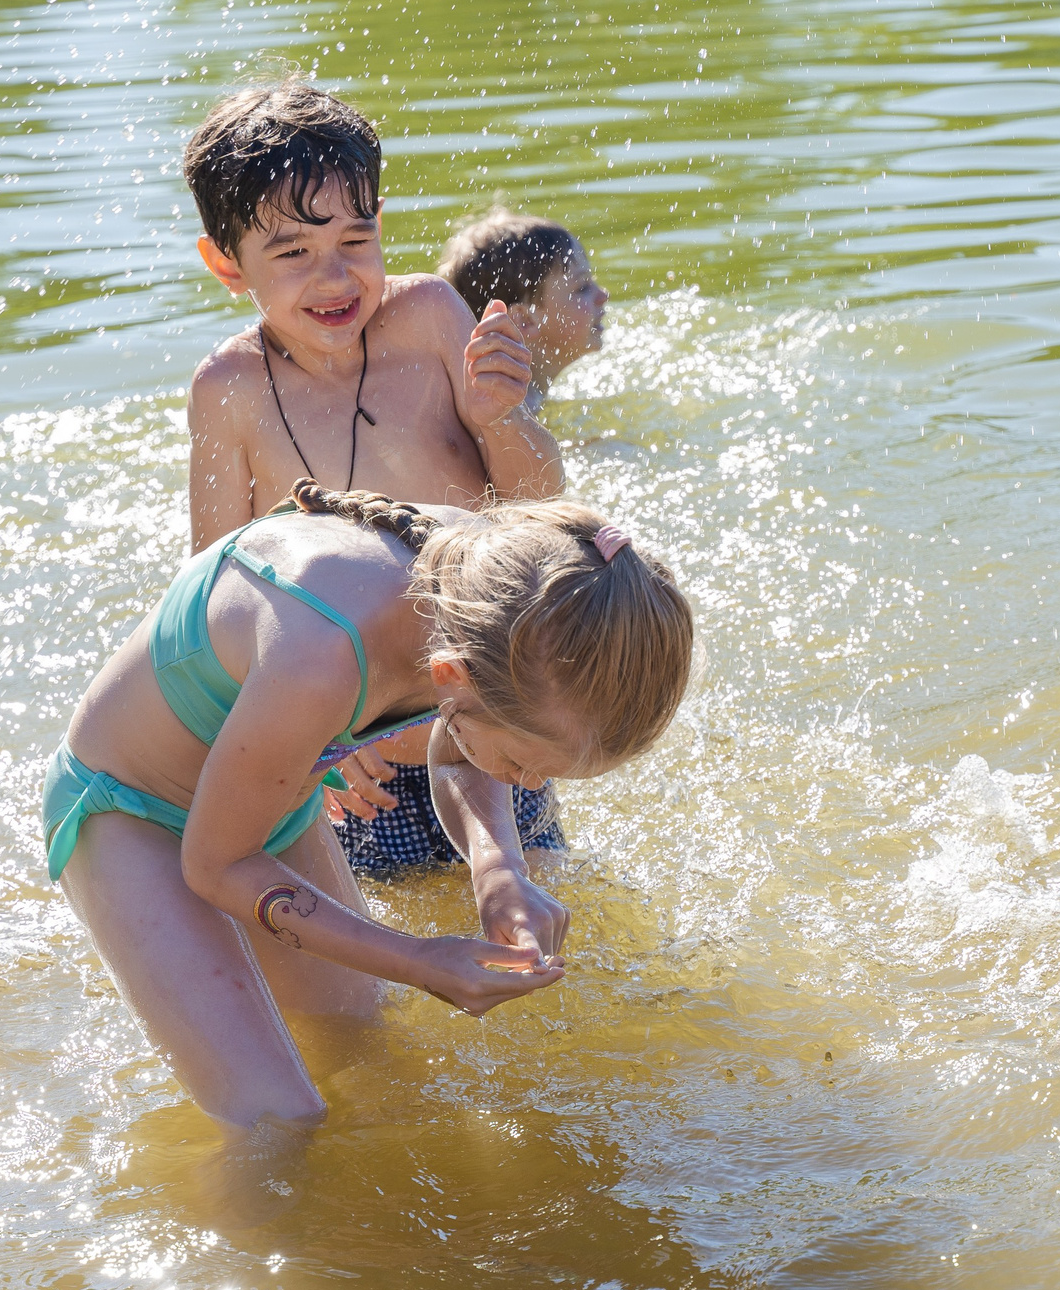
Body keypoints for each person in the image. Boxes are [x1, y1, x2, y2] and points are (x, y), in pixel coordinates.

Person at [43, 479, 693, 1126]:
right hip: (131, 812)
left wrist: (499, 869)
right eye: (521, 763)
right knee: (277, 1118)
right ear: (451, 676)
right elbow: (218, 865)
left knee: (366, 1056)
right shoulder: (319, 656)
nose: (525, 785)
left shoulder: (495, 594)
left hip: (267, 800)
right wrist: (418, 960)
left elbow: (462, 743)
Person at [180, 80, 570, 870]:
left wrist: (502, 418)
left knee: (543, 898)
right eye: (293, 252)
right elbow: (215, 596)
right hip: (353, 760)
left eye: (354, 241)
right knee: (385, 924)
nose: (334, 278)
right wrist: (307, 734)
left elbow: (540, 507)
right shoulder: (230, 391)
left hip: (487, 719)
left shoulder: (428, 319)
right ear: (226, 263)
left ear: (381, 224)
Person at [438, 210, 609, 414]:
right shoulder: (518, 411)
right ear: (525, 319)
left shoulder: (517, 399)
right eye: (582, 287)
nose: (603, 295)